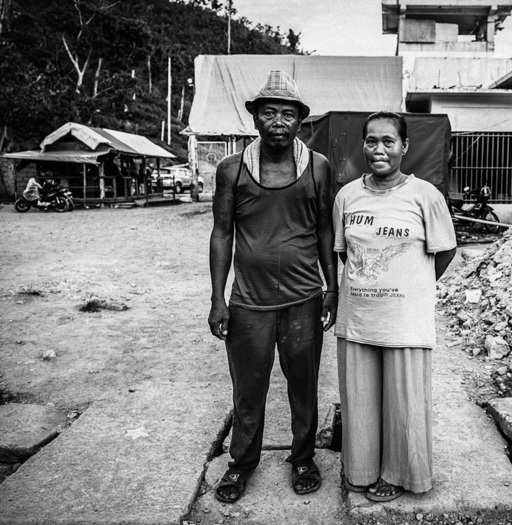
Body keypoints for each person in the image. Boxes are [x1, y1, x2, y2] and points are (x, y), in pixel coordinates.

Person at [208, 70, 337, 504]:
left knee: (303, 384)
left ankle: (303, 458)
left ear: (300, 119)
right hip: (248, 302)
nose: (278, 120)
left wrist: (331, 288)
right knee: (249, 388)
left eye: (287, 112)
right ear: (256, 119)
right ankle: (242, 463)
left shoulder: (318, 167)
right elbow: (222, 233)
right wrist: (217, 298)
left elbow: (323, 231)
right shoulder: (232, 170)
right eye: (269, 112)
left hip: (303, 299)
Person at [332, 112, 456, 502]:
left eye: (389, 141)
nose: (379, 149)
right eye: (371, 141)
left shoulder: (425, 195)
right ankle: (361, 470)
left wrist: (411, 286)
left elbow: (446, 250)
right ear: (363, 146)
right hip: (358, 318)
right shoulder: (347, 196)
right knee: (360, 400)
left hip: (405, 321)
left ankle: (399, 475)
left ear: (405, 147)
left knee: (404, 405)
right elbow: (344, 253)